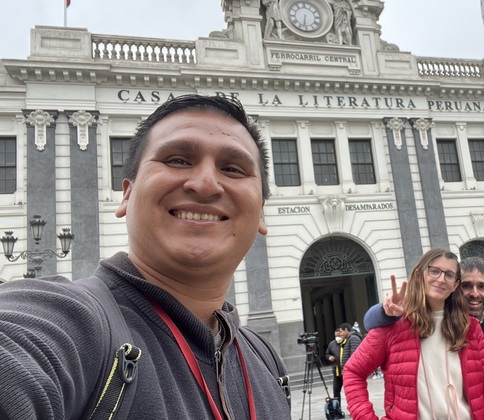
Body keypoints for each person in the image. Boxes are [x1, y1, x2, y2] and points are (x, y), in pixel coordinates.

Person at [0, 95, 291, 419]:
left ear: (261, 212)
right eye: (177, 160)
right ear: (127, 194)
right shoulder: (70, 322)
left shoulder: (265, 361)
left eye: (233, 169)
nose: (206, 184)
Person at [344, 248, 484, 419]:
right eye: (434, 271)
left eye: (449, 275)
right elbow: (353, 371)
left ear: (455, 284)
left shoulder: (470, 329)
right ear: (418, 275)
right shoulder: (393, 326)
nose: (441, 279)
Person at [325, 323, 362, 403]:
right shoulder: (332, 344)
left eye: (340, 333)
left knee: (351, 390)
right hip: (338, 370)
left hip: (348, 370)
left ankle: (354, 405)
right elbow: (327, 353)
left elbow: (353, 355)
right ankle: (337, 406)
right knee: (336, 390)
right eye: (336, 336)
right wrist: (329, 357)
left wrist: (347, 369)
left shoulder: (351, 339)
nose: (340, 336)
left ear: (346, 330)